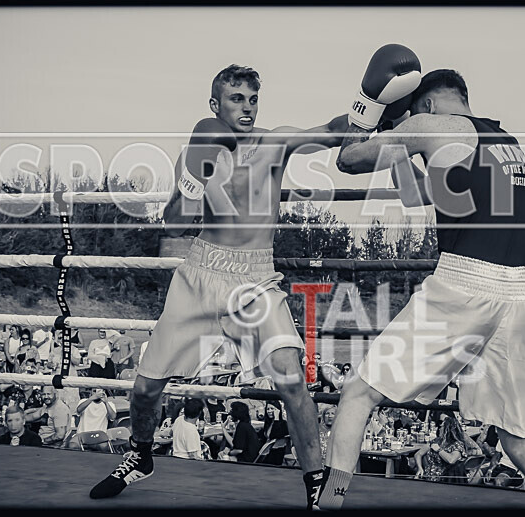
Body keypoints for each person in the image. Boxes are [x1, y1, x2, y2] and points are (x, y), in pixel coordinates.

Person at [318, 62, 525, 510]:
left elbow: (347, 160)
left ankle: (329, 504)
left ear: (430, 103)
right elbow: (417, 195)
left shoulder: (430, 122)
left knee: (358, 393)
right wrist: (405, 148)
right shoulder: (507, 142)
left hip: (466, 283)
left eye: (417, 111)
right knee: (517, 439)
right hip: (521, 293)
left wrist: (368, 113)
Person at [90, 64, 347, 508]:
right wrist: (193, 179)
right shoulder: (198, 148)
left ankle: (315, 485)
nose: (246, 109)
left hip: (255, 278)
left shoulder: (274, 141)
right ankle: (141, 454)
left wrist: (368, 109)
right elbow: (174, 224)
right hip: (201, 271)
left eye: (252, 100)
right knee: (146, 387)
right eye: (236, 99)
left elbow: (327, 132)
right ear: (215, 105)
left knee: (291, 378)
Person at [413, 416, 467, 482]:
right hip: (428, 476)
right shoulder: (436, 441)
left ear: (447, 429)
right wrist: (420, 468)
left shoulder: (457, 444)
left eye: (442, 427)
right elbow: (418, 454)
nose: (439, 429)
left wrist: (439, 450)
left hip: (445, 479)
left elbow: (451, 460)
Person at [257, 400, 290, 465]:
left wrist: (276, 418)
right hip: (265, 452)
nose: (269, 411)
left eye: (272, 409)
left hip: (276, 453)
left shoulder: (283, 423)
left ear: (277, 410)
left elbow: (274, 435)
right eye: (268, 409)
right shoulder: (268, 423)